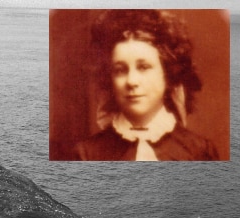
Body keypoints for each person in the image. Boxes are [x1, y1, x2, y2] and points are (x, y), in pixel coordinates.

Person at [73, 10, 219, 161]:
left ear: (168, 74)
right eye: (120, 70)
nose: (131, 81)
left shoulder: (199, 152)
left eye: (143, 67)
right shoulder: (86, 155)